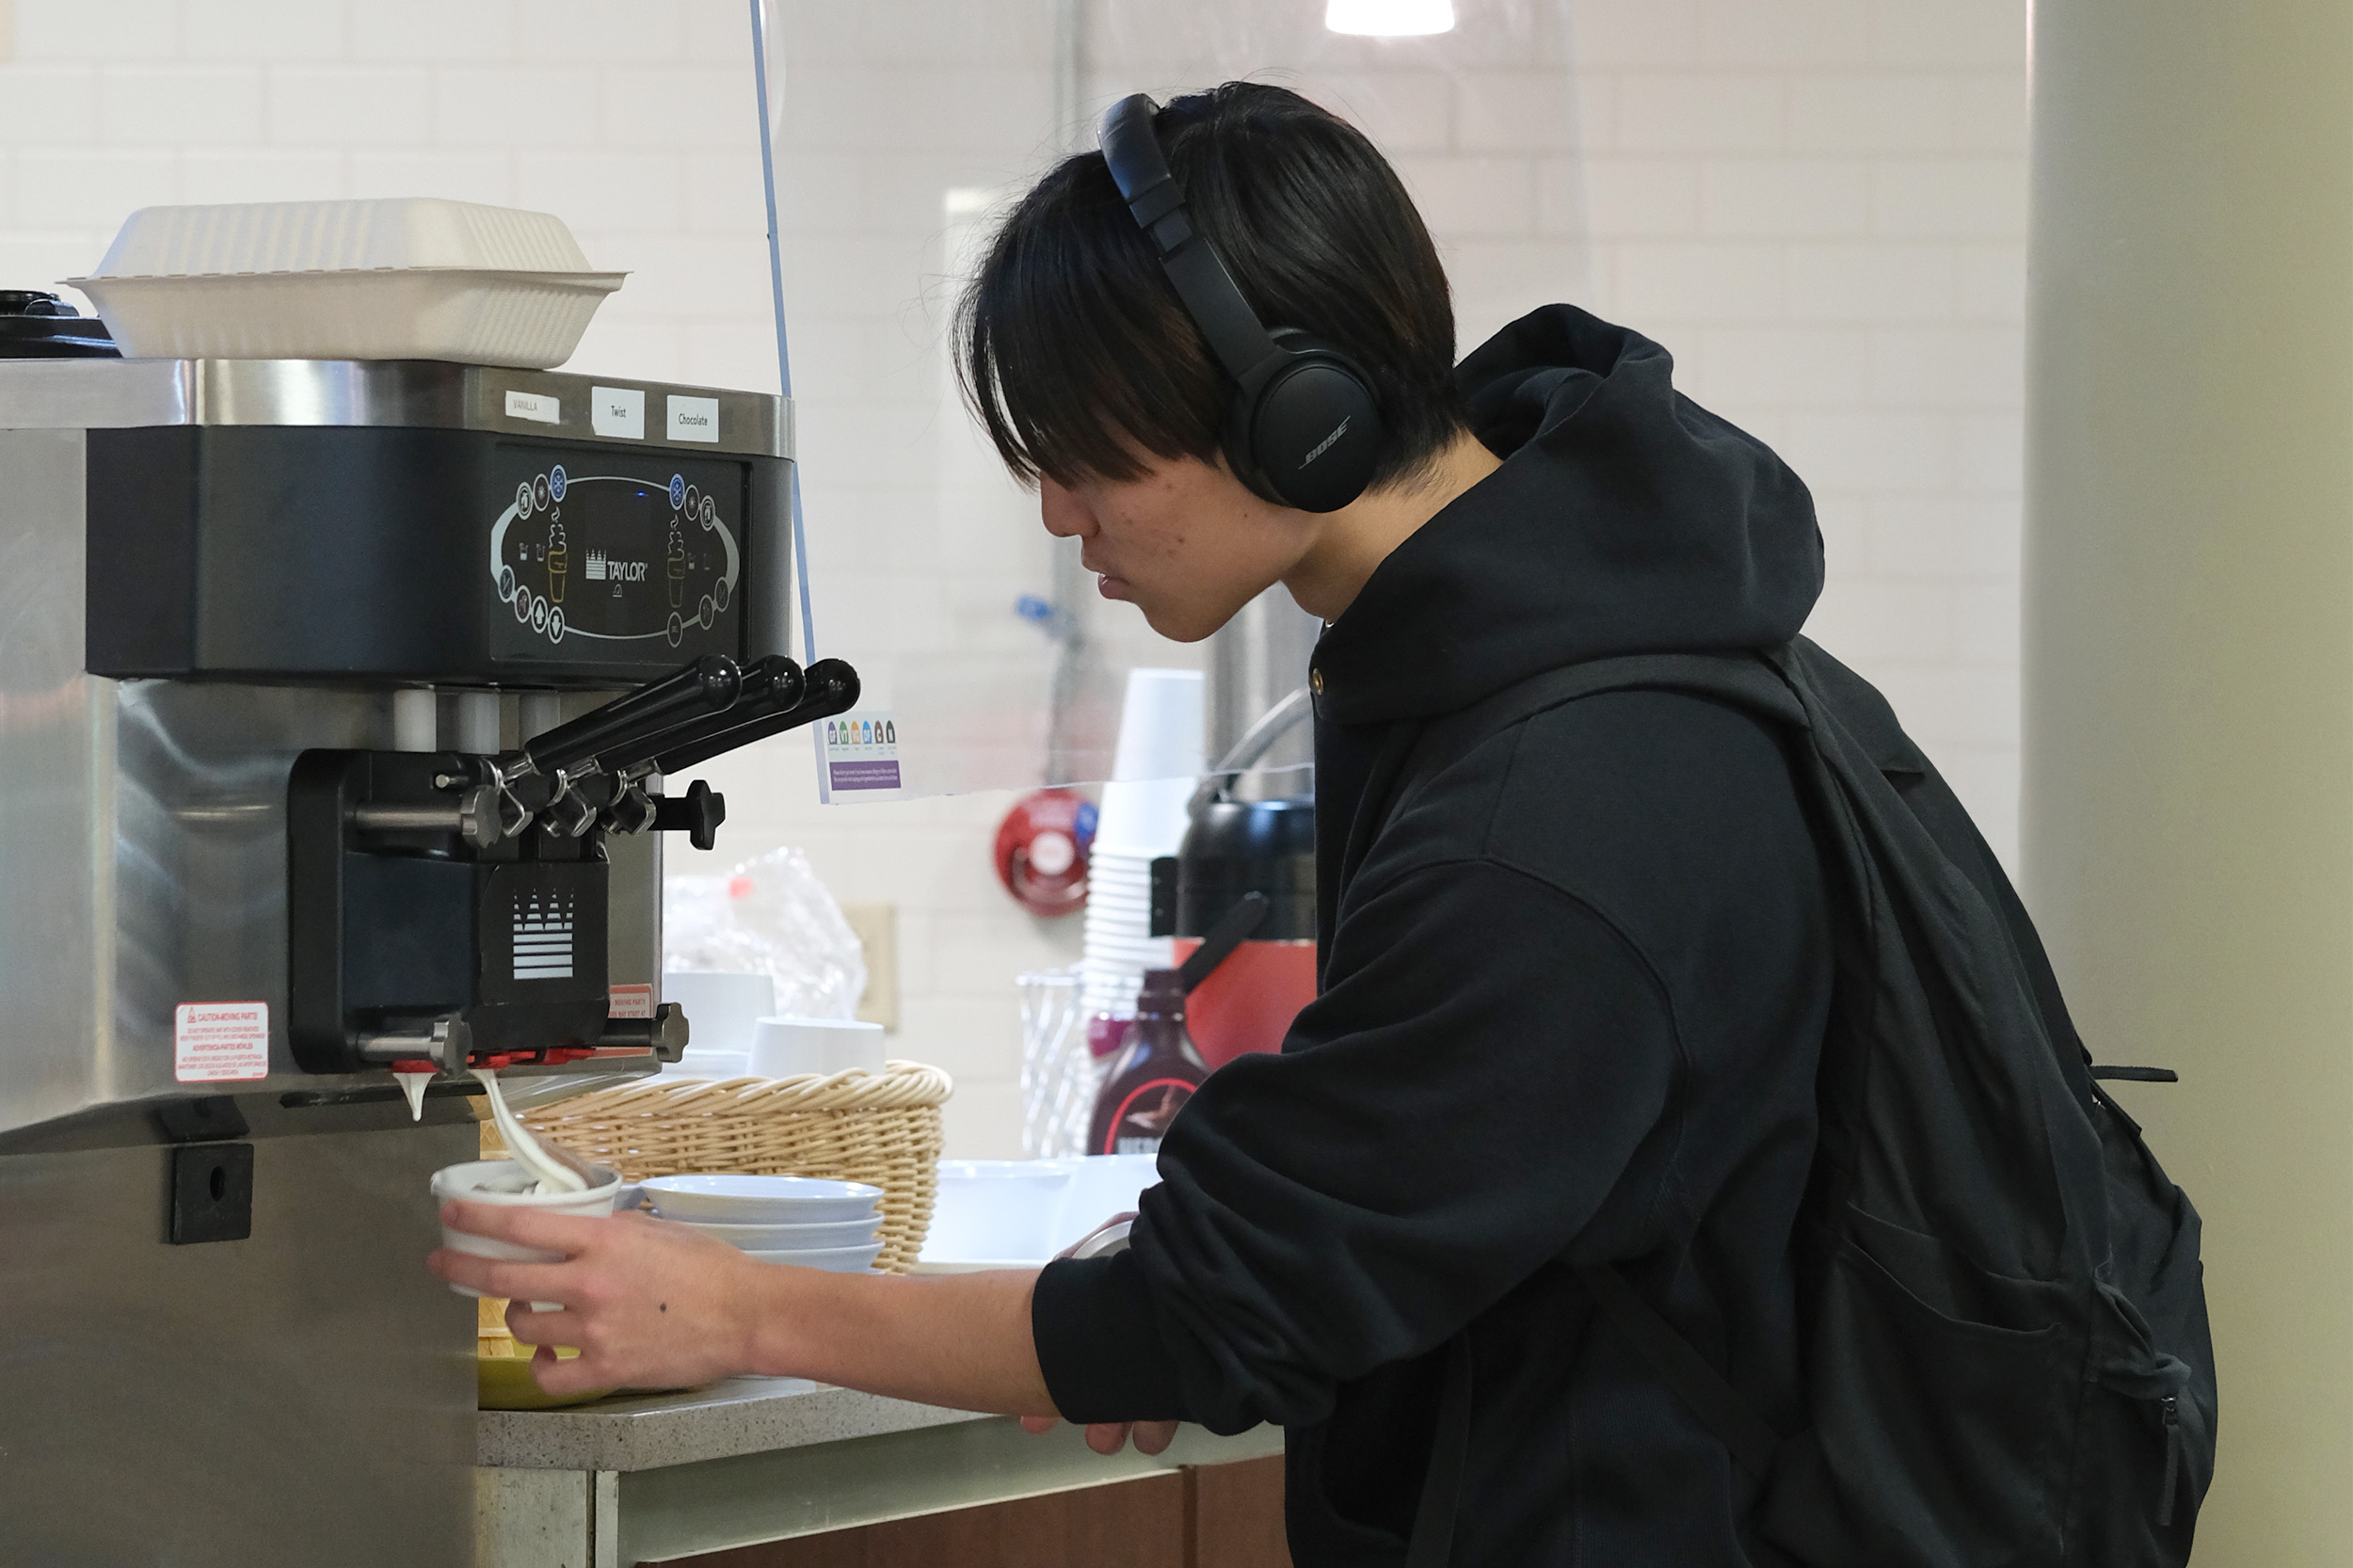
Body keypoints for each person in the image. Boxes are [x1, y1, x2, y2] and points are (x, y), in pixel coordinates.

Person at [433, 81, 1834, 1566]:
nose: (1056, 512)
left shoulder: (1556, 804)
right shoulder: (1597, 657)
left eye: (1085, 455)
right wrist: (1145, 1295)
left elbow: (1225, 1312)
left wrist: (733, 1303)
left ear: (1299, 421)